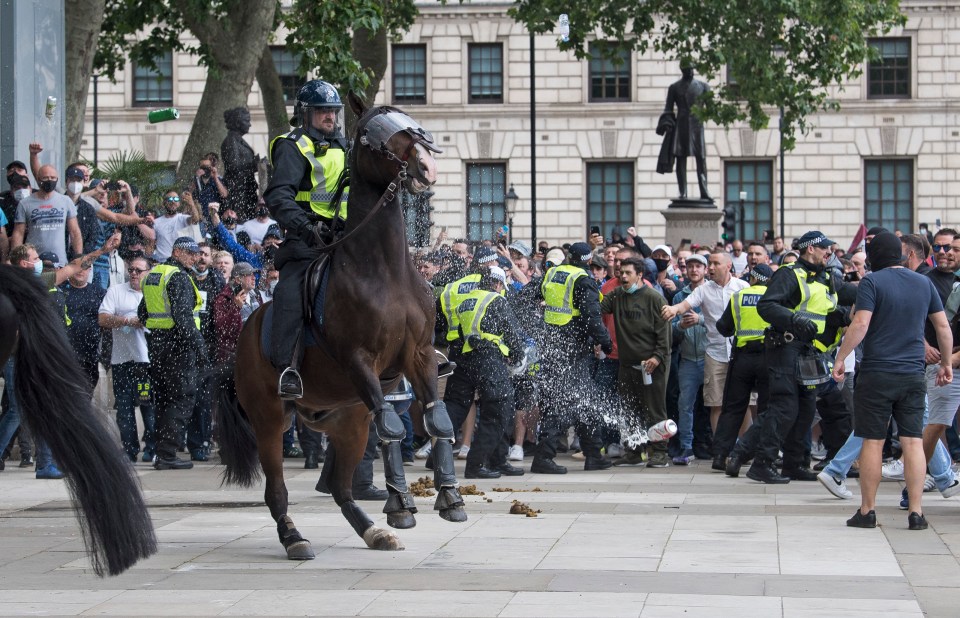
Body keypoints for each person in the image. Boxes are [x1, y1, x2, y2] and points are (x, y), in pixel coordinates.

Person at [831, 232, 954, 530]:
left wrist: (840, 358)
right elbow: (942, 327)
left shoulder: (872, 282)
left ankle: (867, 511)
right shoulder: (924, 283)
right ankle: (916, 512)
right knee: (912, 442)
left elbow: (860, 323)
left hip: (877, 373)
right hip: (912, 373)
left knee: (873, 441)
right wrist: (947, 363)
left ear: (873, 257)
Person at [743, 230, 857, 484]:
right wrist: (793, 319)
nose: (830, 253)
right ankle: (762, 463)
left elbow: (831, 308)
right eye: (825, 248)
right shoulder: (789, 273)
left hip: (809, 351)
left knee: (805, 408)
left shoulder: (826, 278)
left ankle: (794, 464)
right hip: (785, 347)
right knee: (785, 406)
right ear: (810, 249)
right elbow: (766, 305)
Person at [264, 79, 349, 399]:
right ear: (305, 114)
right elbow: (278, 196)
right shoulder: (292, 145)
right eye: (322, 111)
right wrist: (304, 226)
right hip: (308, 238)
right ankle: (287, 367)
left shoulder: (348, 146)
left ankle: (417, 350)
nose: (330, 116)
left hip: (347, 235)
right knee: (291, 293)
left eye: (333, 111)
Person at [531, 242, 614, 474]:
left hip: (554, 346)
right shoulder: (583, 279)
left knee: (585, 400)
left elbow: (526, 297)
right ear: (589, 260)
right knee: (562, 402)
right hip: (573, 349)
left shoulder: (554, 273)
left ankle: (593, 453)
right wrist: (606, 342)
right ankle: (544, 457)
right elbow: (591, 317)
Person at [444, 267, 527, 478]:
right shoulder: (495, 300)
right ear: (498, 284)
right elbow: (511, 331)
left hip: (466, 359)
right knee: (500, 409)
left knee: (492, 409)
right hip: (489, 360)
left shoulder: (465, 301)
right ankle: (477, 464)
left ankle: (498, 460)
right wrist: (517, 357)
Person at [138, 236, 208, 470]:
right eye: (190, 253)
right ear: (177, 252)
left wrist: (158, 333)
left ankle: (161, 452)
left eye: (197, 253)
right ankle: (167, 454)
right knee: (181, 398)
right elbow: (184, 319)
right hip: (179, 347)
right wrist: (200, 349)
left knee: (164, 399)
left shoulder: (153, 274)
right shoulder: (178, 276)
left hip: (157, 346)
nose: (195, 257)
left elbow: (143, 314)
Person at [661, 251, 749, 435]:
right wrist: (673, 309)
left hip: (741, 353)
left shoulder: (743, 287)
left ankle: (745, 450)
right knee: (716, 404)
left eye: (715, 263)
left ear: (728, 266)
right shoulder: (703, 290)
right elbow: (685, 304)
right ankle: (720, 450)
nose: (711, 267)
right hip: (715, 354)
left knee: (743, 403)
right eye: (709, 263)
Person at [601, 257, 672, 467]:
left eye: (628, 273)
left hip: (651, 365)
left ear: (639, 275)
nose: (623, 276)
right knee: (629, 409)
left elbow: (664, 334)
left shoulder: (654, 298)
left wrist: (657, 357)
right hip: (626, 363)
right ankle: (634, 451)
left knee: (655, 409)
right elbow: (599, 307)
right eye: (621, 272)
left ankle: (659, 452)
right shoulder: (617, 295)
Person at [712, 264, 774, 466]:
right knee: (766, 409)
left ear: (753, 278)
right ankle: (761, 456)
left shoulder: (739, 296)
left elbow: (723, 327)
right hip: (768, 357)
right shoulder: (775, 297)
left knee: (732, 408)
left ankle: (720, 456)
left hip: (742, 358)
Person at [99, 256, 156, 463]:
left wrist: (143, 321)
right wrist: (125, 320)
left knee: (148, 405)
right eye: (131, 269)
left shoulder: (154, 293)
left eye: (138, 270)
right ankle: (129, 449)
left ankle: (152, 447)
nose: (133, 273)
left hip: (145, 362)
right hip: (121, 360)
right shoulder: (116, 291)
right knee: (123, 408)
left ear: (149, 272)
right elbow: (103, 318)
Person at [658, 63, 711, 201]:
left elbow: (711, 109)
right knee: (681, 158)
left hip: (697, 126)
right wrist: (667, 123)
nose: (691, 70)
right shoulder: (674, 88)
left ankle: (704, 191)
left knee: (701, 159)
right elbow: (668, 109)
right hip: (681, 125)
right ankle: (683, 192)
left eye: (693, 68)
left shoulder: (704, 87)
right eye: (688, 68)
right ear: (683, 70)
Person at [11, 164, 82, 264]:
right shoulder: (25, 203)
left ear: (57, 179)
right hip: (33, 261)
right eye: (45, 178)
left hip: (60, 261)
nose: (49, 180)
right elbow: (18, 233)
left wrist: (78, 255)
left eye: (53, 178)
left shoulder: (66, 201)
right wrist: (16, 260)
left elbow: (74, 231)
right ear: (39, 179)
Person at [221, 107, 261, 221]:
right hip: (238, 193)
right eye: (247, 121)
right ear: (238, 123)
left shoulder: (238, 140)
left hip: (246, 191)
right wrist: (253, 165)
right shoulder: (231, 141)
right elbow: (233, 167)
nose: (250, 124)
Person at [152, 189, 202, 263]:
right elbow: (151, 244)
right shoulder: (156, 222)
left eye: (176, 199)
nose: (173, 201)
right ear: (164, 203)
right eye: (170, 199)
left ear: (179, 203)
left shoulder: (182, 218)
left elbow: (195, 219)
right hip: (161, 262)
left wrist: (191, 203)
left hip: (180, 262)